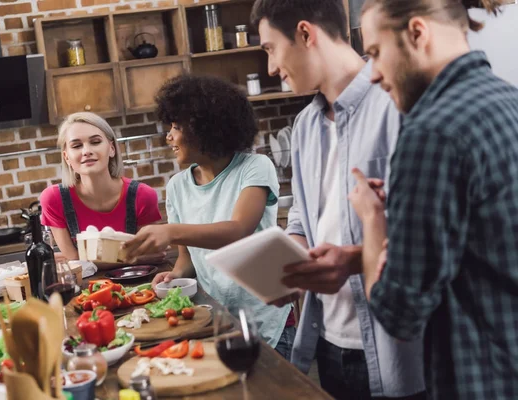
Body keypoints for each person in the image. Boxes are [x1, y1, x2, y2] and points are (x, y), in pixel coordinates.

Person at [250, 0, 425, 399]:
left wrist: (351, 259)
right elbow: (301, 221)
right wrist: (287, 267)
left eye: (270, 49)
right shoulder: (305, 126)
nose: (272, 69)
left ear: (306, 34)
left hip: (399, 349)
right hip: (328, 344)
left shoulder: (396, 103)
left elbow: (429, 232)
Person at [348, 0, 518, 399]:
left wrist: (373, 220)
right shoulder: (509, 102)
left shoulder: (431, 134)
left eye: (374, 53)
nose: (373, 75)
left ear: (417, 33)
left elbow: (397, 311)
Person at [122, 75, 295, 359]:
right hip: (221, 318)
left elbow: (238, 231)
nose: (169, 136)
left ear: (205, 128)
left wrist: (171, 231)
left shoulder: (254, 167)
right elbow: (187, 259)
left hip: (267, 316)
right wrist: (174, 276)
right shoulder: (178, 185)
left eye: (176, 127)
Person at [39, 112, 162, 260]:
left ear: (111, 148)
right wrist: (127, 258)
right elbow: (75, 263)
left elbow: (151, 256)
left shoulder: (143, 196)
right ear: (66, 157)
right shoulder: (54, 199)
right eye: (77, 145)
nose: (87, 151)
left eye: (95, 142)